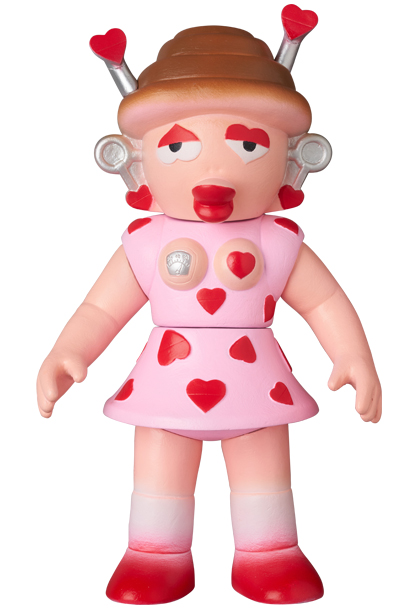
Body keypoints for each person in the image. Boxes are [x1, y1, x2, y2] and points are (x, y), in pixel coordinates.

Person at [37, 22, 381, 605]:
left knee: (263, 469)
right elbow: (101, 307)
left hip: (257, 385)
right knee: (159, 469)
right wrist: (68, 351)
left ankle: (270, 554)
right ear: (141, 161)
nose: (214, 174)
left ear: (289, 158)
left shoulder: (279, 241)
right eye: (179, 148)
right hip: (167, 381)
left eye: (248, 146)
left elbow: (323, 300)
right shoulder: (145, 243)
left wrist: (354, 356)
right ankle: (155, 554)